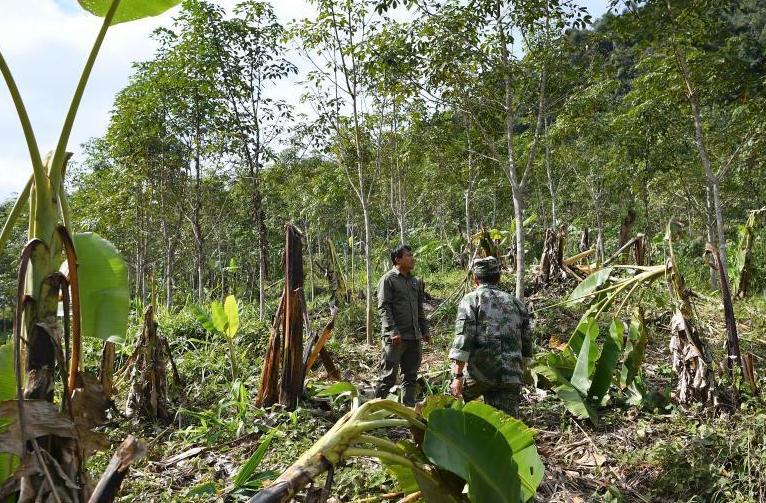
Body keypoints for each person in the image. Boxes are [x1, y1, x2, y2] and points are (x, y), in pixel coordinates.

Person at [448, 256, 533, 417]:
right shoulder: (515, 302)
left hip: (481, 373)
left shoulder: (471, 299)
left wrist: (458, 376)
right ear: (498, 277)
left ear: (475, 278)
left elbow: (464, 337)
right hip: (510, 374)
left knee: (451, 404)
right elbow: (527, 342)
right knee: (505, 422)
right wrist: (520, 370)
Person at [375, 244, 430, 406]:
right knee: (388, 377)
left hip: (414, 336)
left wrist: (425, 330)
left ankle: (408, 410)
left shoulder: (415, 282)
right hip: (395, 338)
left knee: (411, 376)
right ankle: (375, 409)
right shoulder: (388, 279)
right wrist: (393, 331)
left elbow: (419, 308)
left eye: (412, 255)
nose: (412, 258)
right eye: (408, 255)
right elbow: (384, 307)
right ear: (397, 259)